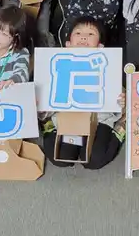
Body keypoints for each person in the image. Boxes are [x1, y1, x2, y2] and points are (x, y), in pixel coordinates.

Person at [41, 16, 125, 170]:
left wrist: (121, 101)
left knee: (94, 160)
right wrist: (42, 104)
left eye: (91, 34)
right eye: (78, 33)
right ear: (67, 44)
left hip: (99, 121)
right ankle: (51, 129)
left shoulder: (107, 65)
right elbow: (49, 100)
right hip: (68, 119)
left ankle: (119, 131)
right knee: (61, 157)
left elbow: (116, 99)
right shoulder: (58, 65)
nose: (84, 37)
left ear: (100, 46)